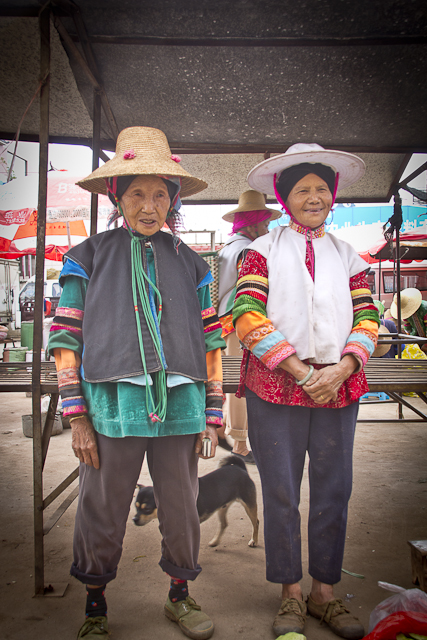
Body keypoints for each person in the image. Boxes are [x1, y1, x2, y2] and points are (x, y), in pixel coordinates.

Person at [47, 126, 225, 640]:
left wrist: (212, 413)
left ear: (173, 201)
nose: (150, 206)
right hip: (109, 405)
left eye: (160, 195)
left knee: (181, 507)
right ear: (116, 197)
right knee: (101, 506)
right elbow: (66, 334)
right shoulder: (87, 256)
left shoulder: (193, 263)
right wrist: (76, 415)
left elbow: (212, 340)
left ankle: (180, 599)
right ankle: (96, 609)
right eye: (137, 194)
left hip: (181, 405)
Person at [232, 143, 379, 639]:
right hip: (277, 383)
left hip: (339, 383)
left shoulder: (349, 256)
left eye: (321, 189)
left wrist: (342, 367)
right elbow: (246, 316)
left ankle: (325, 594)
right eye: (302, 190)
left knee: (335, 490)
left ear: (331, 196)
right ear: (284, 198)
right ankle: (290, 594)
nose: (313, 198)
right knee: (280, 491)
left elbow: (368, 316)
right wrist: (299, 371)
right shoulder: (262, 250)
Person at [217, 190, 281, 462]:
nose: (267, 228)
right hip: (240, 322)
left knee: (230, 379)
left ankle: (224, 429)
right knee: (241, 383)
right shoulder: (246, 249)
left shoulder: (227, 247)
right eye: (265, 223)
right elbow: (249, 293)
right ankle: (240, 445)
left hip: (224, 323)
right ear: (253, 222)